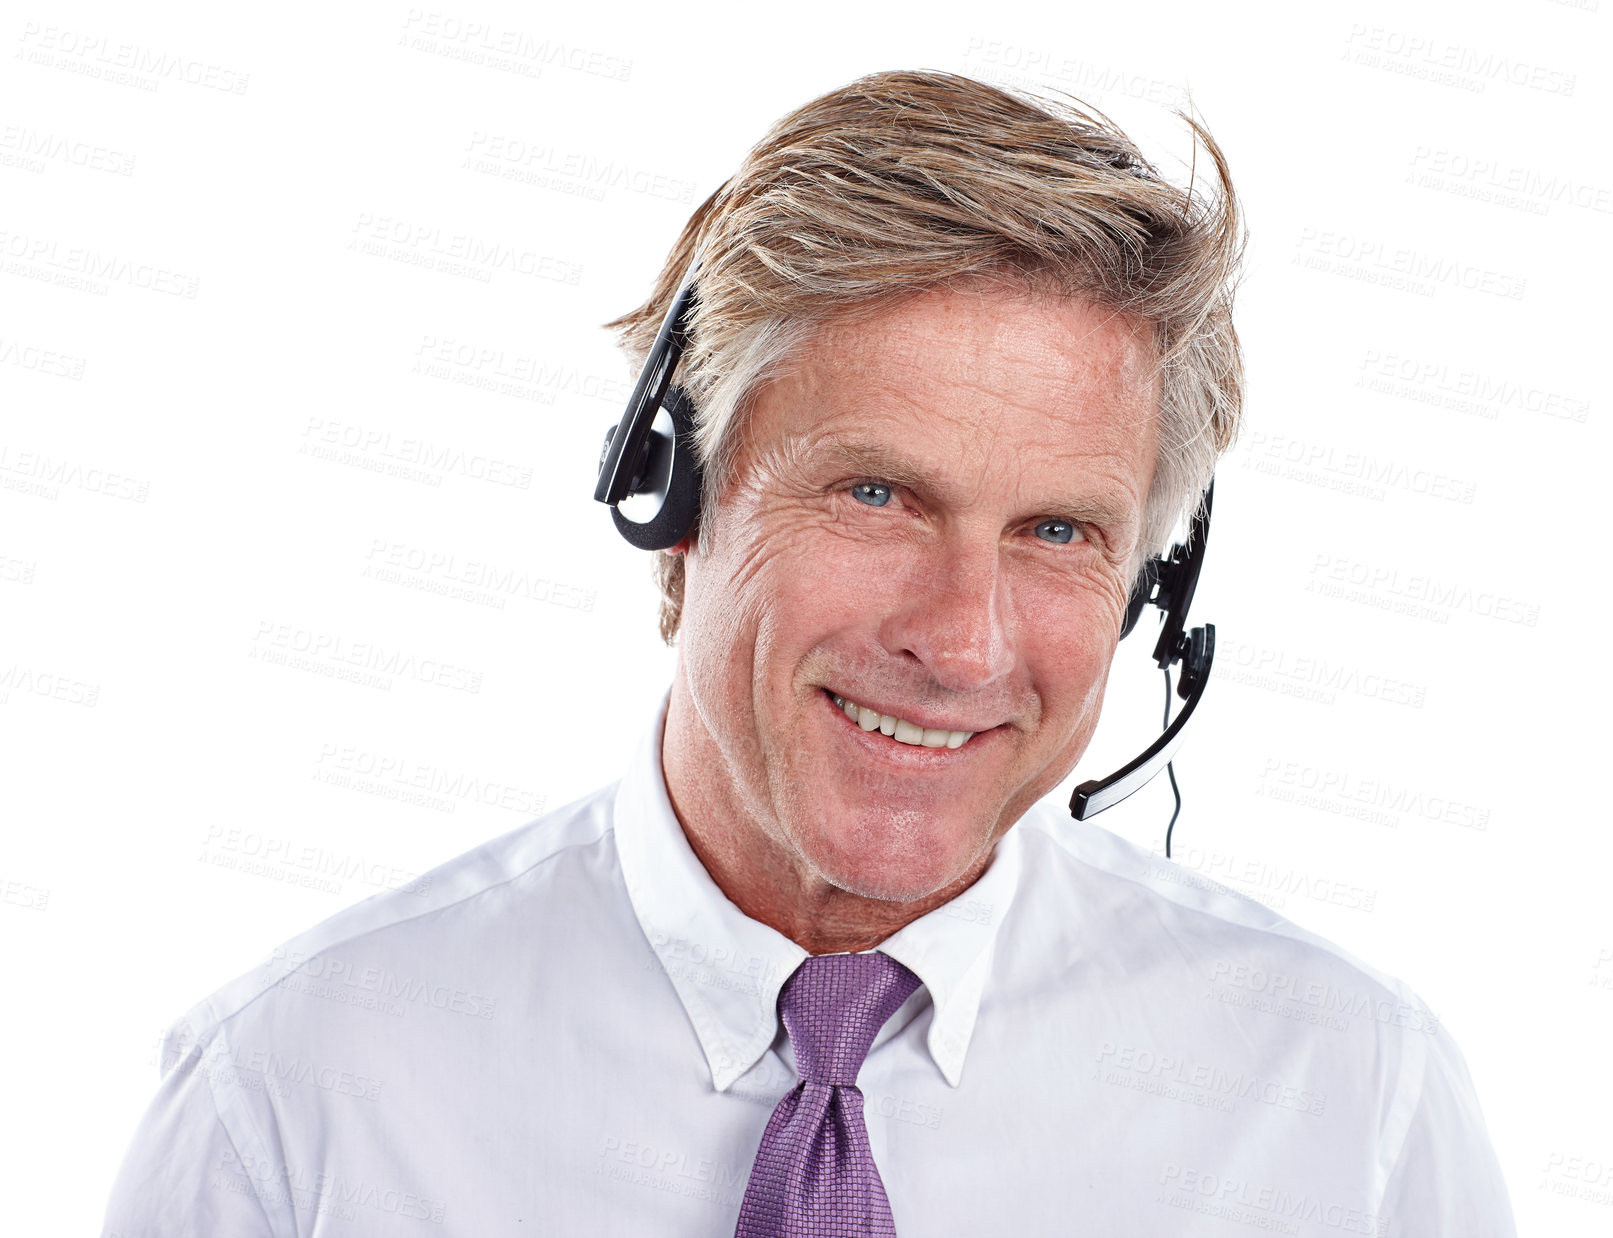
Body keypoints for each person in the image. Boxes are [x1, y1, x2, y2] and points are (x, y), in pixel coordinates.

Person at [101, 69, 1517, 1236]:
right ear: (671, 497)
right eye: (875, 495)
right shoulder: (299, 1094)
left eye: (1056, 531)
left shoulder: (1347, 1105)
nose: (961, 641)